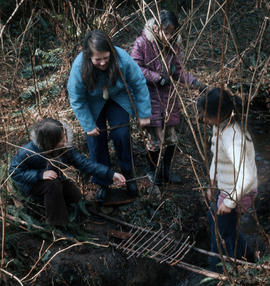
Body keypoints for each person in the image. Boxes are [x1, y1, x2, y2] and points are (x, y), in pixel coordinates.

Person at [67, 30, 151, 202]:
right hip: (92, 102)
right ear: (89, 56)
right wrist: (88, 125)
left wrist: (143, 113)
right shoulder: (79, 67)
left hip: (117, 98)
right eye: (98, 60)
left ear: (111, 51)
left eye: (106, 57)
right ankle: (102, 181)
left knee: (122, 134)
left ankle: (128, 175)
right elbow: (76, 98)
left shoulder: (122, 58)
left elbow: (139, 83)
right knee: (96, 140)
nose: (103, 62)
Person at [131, 9, 205, 185]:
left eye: (172, 33)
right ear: (156, 28)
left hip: (169, 98)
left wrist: (197, 84)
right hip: (148, 97)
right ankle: (152, 171)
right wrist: (157, 77)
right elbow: (134, 68)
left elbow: (178, 71)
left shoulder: (174, 45)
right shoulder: (142, 43)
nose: (168, 36)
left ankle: (166, 170)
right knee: (154, 140)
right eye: (166, 32)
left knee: (171, 139)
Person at [9, 118, 126, 227]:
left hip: (55, 179)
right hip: (31, 185)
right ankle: (58, 224)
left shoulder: (63, 149)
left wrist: (111, 174)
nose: (65, 140)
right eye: (61, 138)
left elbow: (84, 163)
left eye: (64, 135)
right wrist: (39, 175)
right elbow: (14, 172)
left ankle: (82, 215)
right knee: (53, 185)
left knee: (74, 194)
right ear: (50, 142)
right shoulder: (27, 152)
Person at [197, 87, 258, 271]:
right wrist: (212, 182)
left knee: (220, 237)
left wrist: (230, 202)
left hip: (240, 190)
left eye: (207, 116)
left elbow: (247, 176)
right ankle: (248, 257)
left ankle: (220, 277)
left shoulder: (233, 136)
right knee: (216, 221)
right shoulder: (220, 125)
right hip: (227, 187)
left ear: (219, 114)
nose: (204, 120)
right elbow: (216, 156)